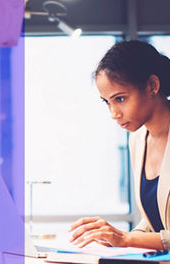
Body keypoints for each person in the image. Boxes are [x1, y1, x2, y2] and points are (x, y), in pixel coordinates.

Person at [68, 40, 170, 250]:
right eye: (107, 102)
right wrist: (113, 238)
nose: (113, 114)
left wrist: (126, 239)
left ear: (152, 86)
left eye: (120, 99)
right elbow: (154, 225)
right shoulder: (138, 139)